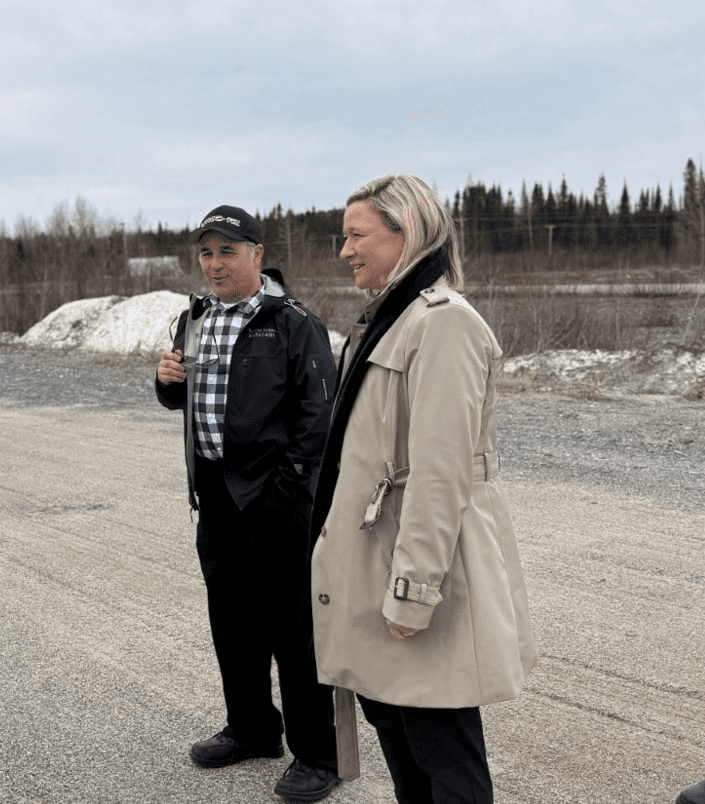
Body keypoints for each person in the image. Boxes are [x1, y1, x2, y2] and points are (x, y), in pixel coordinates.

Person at [309, 175, 537, 804]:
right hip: (376, 566)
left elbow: (442, 474)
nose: (344, 250)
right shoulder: (389, 318)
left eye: (357, 235)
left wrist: (413, 593)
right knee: (404, 748)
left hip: (415, 576)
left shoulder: (443, 325)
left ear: (405, 232)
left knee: (444, 759)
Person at [156, 205, 342, 803]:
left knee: (294, 631)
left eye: (227, 252)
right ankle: (254, 729)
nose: (214, 264)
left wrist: (286, 495)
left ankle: (320, 755)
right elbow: (181, 401)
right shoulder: (194, 318)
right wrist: (166, 383)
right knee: (231, 621)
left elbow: (317, 423)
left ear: (256, 255)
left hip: (277, 500)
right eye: (206, 253)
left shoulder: (291, 322)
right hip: (215, 495)